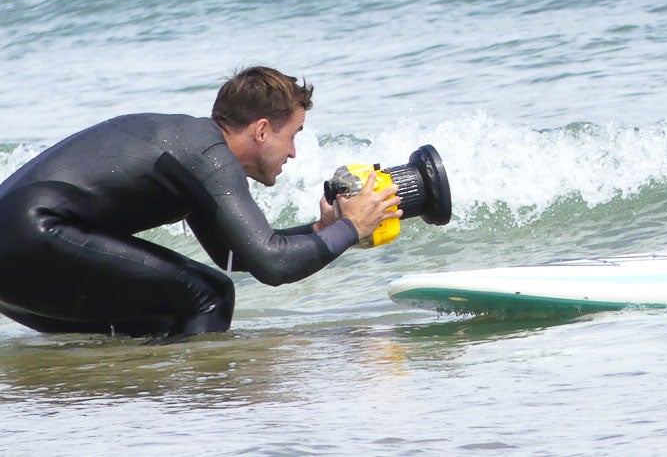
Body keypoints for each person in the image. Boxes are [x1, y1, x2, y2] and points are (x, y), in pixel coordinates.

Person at [0, 66, 400, 338]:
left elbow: (237, 257)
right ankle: (202, 420)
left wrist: (321, 231)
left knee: (158, 317)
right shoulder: (208, 157)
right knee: (209, 293)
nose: (293, 152)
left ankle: (145, 420)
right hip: (34, 232)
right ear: (261, 131)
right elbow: (274, 264)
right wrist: (351, 228)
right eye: (293, 134)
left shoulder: (192, 155)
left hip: (17, 248)